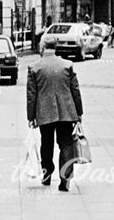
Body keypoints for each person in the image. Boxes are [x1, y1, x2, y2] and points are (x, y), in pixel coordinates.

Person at [27, 36, 84, 192]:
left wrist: (30, 117)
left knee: (46, 143)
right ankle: (65, 178)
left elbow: (31, 95)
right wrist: (79, 112)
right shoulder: (67, 65)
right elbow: (75, 91)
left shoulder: (34, 67)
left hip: (44, 112)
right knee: (66, 144)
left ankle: (46, 174)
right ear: (55, 47)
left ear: (43, 47)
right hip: (66, 111)